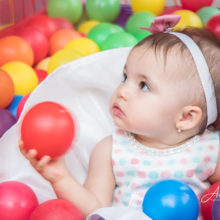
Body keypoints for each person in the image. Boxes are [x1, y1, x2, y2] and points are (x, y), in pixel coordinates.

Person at [19, 15, 220, 219]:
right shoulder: (111, 149)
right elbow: (95, 207)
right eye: (125, 77)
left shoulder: (211, 149)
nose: (122, 90)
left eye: (144, 86)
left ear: (186, 117)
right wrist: (60, 177)